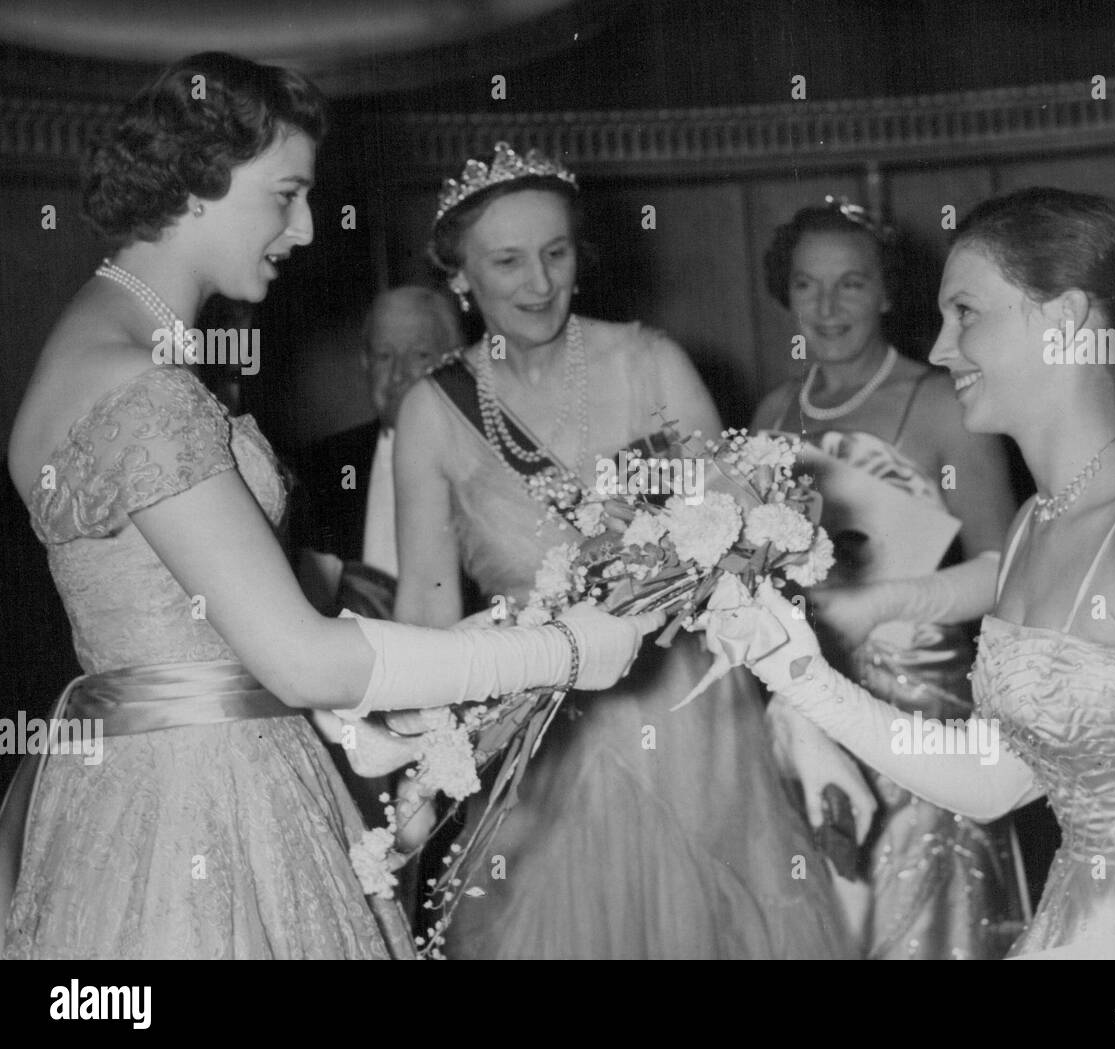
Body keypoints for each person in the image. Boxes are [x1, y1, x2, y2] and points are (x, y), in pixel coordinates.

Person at [0, 55, 654, 960]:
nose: (306, 228)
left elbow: (180, 620)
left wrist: (356, 717)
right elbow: (303, 658)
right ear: (200, 179)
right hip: (203, 801)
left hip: (149, 775)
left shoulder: (99, 346)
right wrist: (567, 650)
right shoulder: (138, 381)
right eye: (287, 194)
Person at [710, 186, 1115, 959]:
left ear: (1064, 322)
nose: (943, 347)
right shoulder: (1036, 523)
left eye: (967, 314)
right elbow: (996, 777)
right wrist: (796, 671)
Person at [394, 141, 850, 958]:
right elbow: (426, 612)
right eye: (507, 261)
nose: (539, 284)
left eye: (556, 253)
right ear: (459, 275)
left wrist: (808, 718)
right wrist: (423, 765)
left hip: (690, 725)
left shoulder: (651, 362)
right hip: (542, 737)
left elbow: (749, 549)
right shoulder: (435, 413)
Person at [751, 197, 1026, 958]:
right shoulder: (774, 413)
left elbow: (1009, 567)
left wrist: (886, 606)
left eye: (851, 283)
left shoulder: (940, 401)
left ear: (886, 290)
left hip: (919, 706)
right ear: (787, 291)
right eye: (808, 285)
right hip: (809, 704)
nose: (828, 306)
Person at [294, 285, 462, 617]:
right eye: (384, 356)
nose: (399, 374)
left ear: (455, 361)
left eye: (420, 355)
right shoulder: (318, 467)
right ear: (365, 363)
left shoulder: (486, 464)